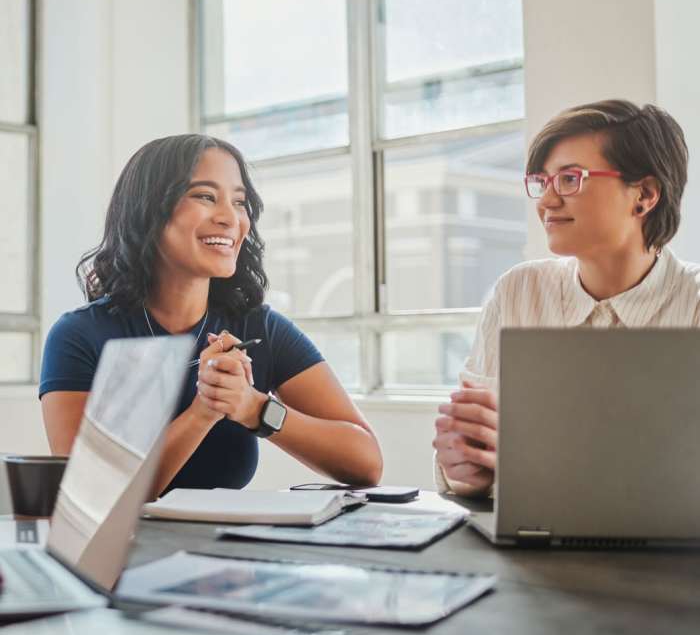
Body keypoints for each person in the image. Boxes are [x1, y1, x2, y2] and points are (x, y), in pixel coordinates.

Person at [40, 134, 382, 496]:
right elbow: (89, 493)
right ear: (149, 211)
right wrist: (204, 411)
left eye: (240, 201)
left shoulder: (258, 327)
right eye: (205, 196)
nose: (230, 218)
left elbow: (366, 463)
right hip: (120, 550)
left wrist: (255, 408)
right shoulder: (80, 336)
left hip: (229, 548)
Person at [434, 99, 700, 496]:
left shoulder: (692, 303)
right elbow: (466, 468)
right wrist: (464, 471)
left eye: (570, 179)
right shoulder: (517, 292)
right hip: (530, 545)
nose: (546, 201)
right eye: (543, 182)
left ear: (644, 194)